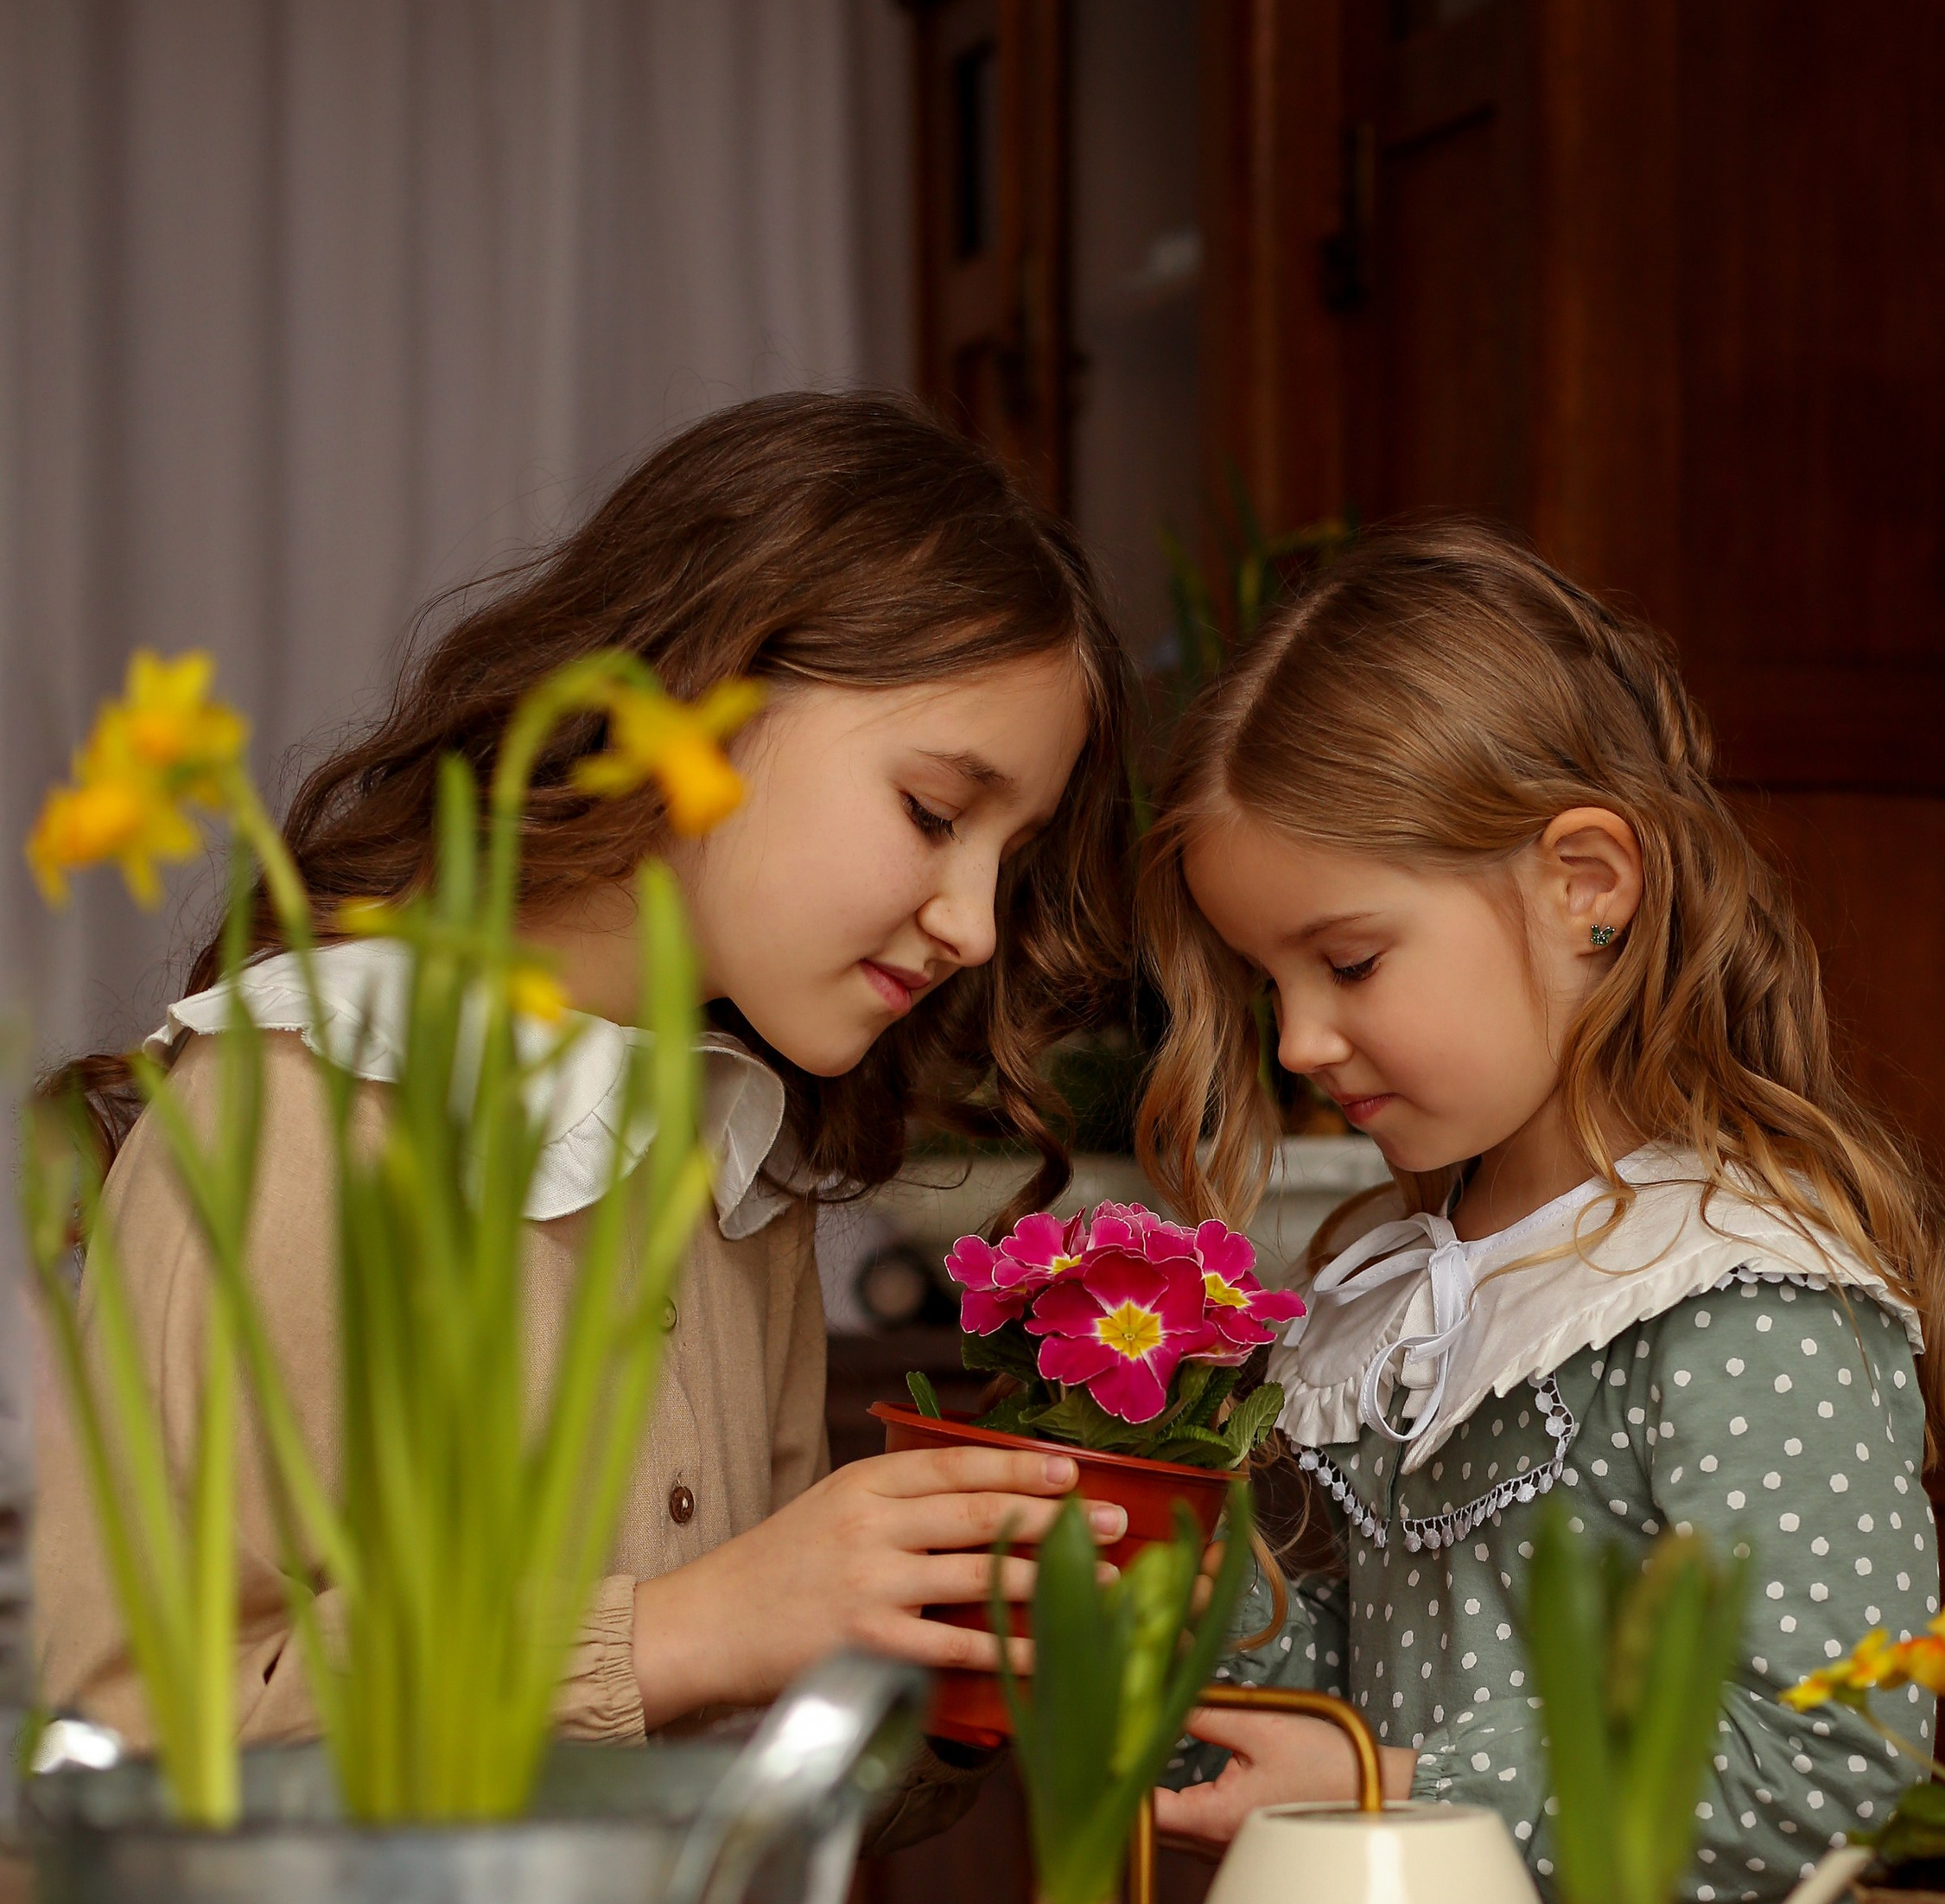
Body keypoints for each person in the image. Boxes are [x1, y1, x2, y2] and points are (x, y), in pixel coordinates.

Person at [36, 392, 1136, 1748]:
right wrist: (690, 1629)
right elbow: (133, 1726)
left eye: (1009, 863)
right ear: (702, 694)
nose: (973, 924)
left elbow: (741, 1778)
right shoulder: (296, 1122)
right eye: (933, 813)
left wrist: (985, 1654)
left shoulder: (737, 1164)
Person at [1139, 525, 1945, 1904]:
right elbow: (1339, 1680)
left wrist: (1383, 1785)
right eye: (1266, 981)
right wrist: (1185, 1552)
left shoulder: (1742, 1293)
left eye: (1347, 959)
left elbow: (1830, 1775)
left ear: (1584, 888)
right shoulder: (1400, 1295)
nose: (1302, 1039)